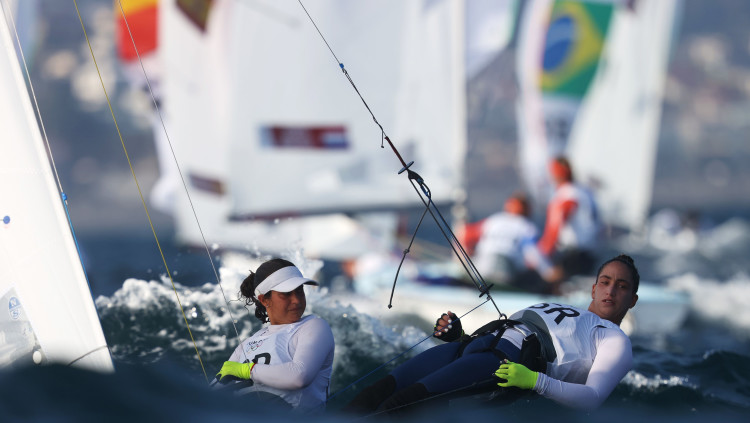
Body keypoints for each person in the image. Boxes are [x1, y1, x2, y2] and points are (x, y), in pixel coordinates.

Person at [343, 254, 639, 414]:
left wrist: (535, 381)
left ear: (633, 300)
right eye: (605, 281)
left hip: (503, 366)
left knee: (399, 405)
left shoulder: (614, 338)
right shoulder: (564, 306)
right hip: (475, 347)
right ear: (593, 288)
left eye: (622, 286)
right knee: (374, 393)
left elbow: (592, 398)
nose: (611, 290)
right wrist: (460, 337)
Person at [213, 258, 335, 413]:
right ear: (264, 299)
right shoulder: (246, 344)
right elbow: (213, 393)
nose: (296, 300)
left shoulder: (315, 326)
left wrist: (247, 370)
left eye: (299, 291)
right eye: (286, 294)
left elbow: (299, 377)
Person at [465, 192, 557, 293]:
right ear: (527, 209)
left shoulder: (493, 220)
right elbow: (534, 255)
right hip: (504, 275)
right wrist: (550, 273)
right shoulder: (527, 227)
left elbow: (465, 234)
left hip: (478, 270)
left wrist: (467, 255)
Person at [537, 156, 601, 285]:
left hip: (573, 255)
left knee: (546, 283)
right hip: (589, 253)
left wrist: (541, 255)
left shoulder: (566, 194)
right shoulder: (584, 191)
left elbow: (556, 226)